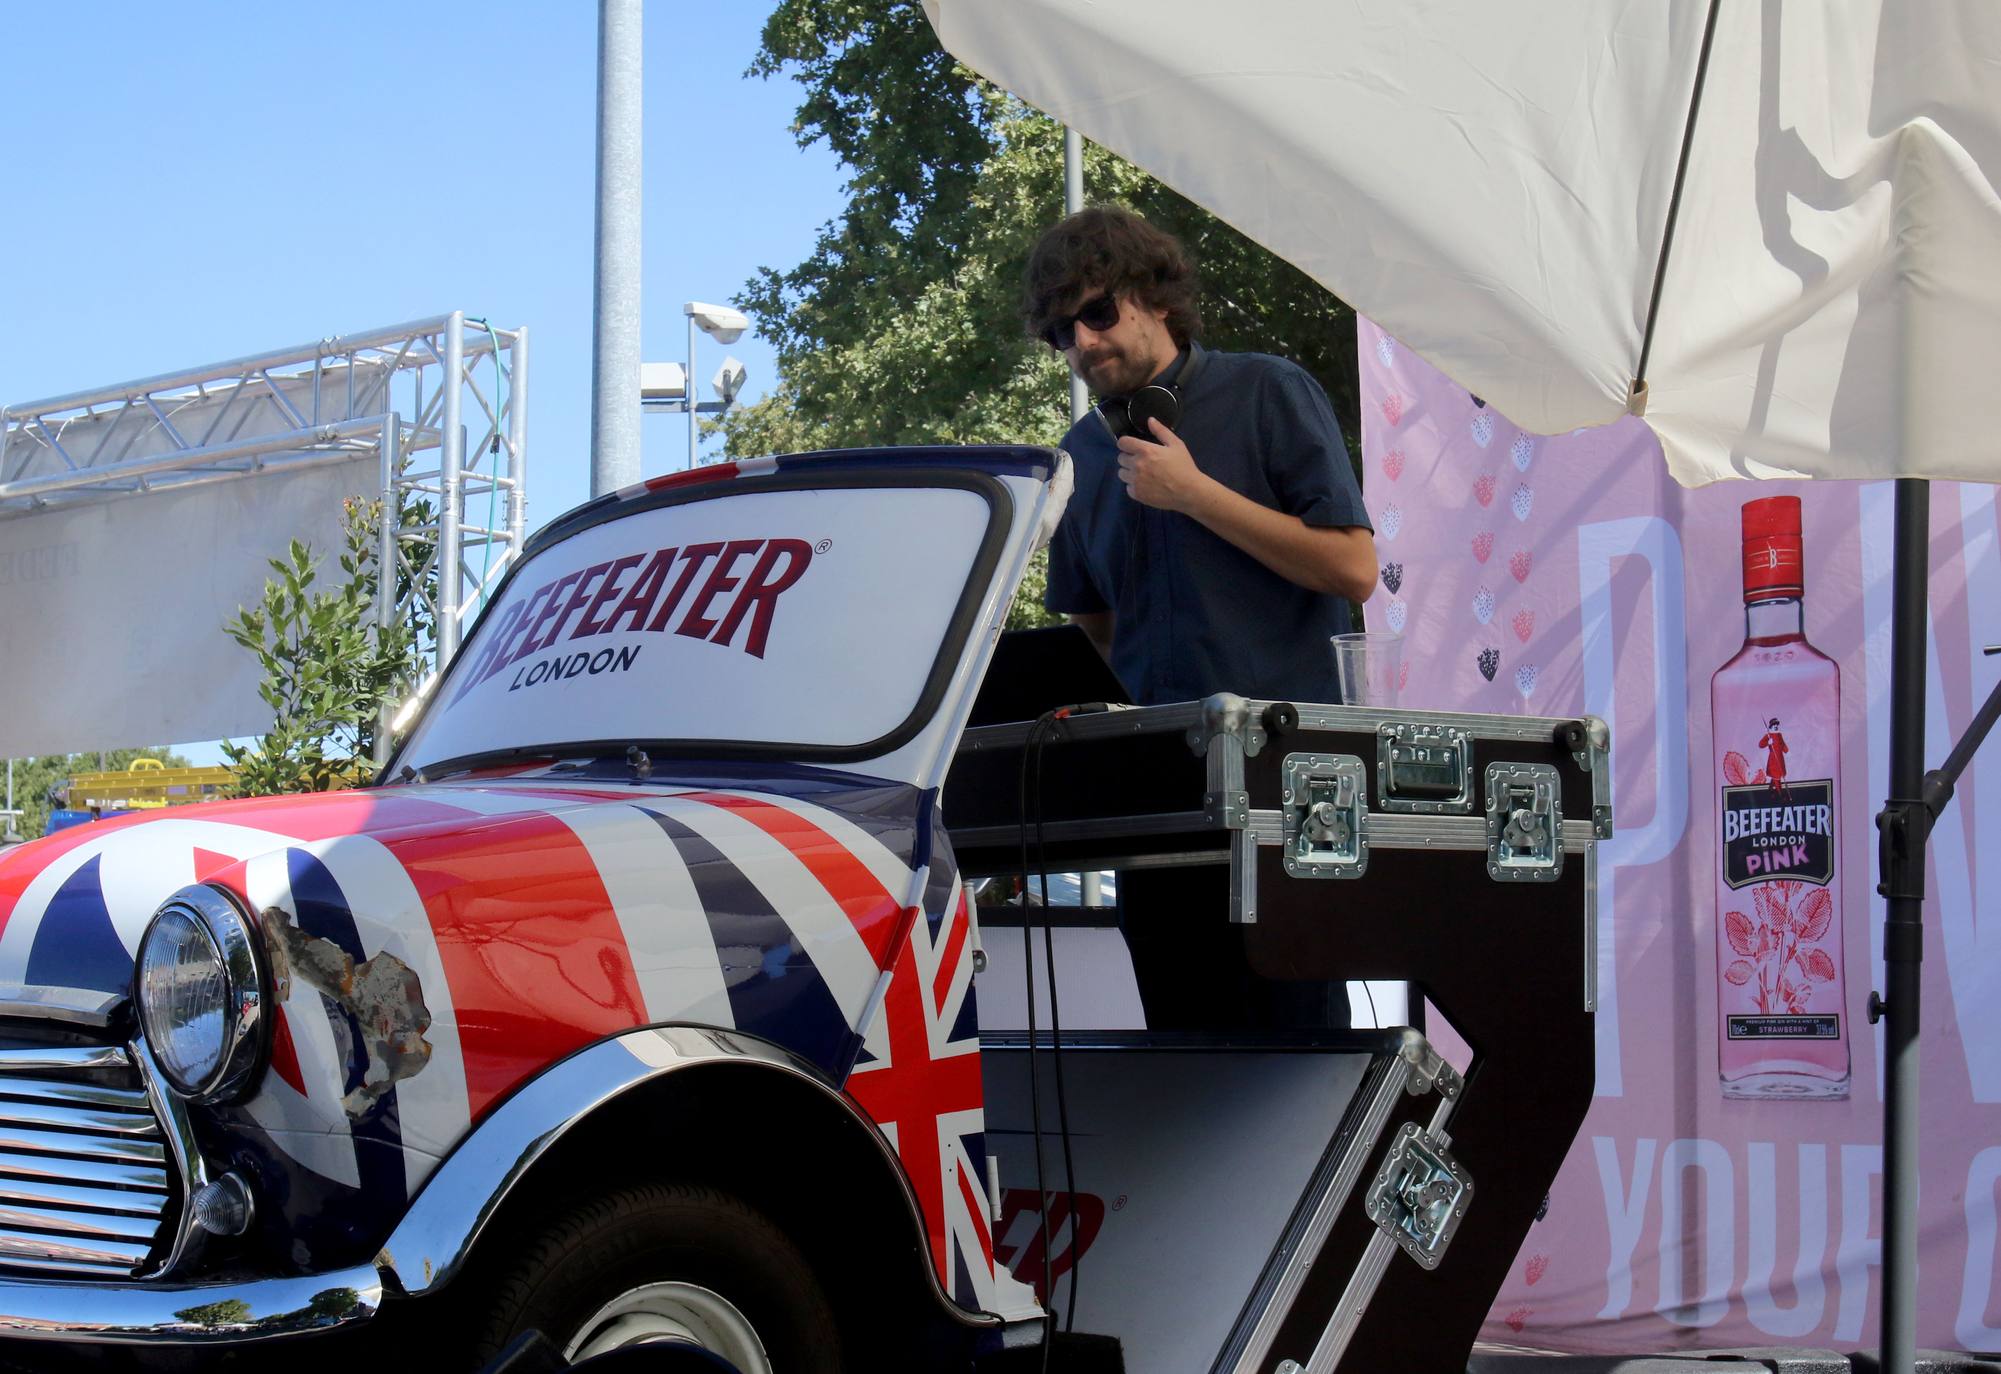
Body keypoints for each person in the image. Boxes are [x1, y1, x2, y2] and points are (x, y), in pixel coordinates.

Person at [1021, 206, 1377, 1030]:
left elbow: (1352, 568)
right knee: (1186, 1060)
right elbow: (1093, 620)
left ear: (1154, 297)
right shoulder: (1079, 455)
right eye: (1060, 333)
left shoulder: (1266, 391)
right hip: (1165, 810)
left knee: (1297, 1061)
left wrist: (1195, 496)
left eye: (1098, 311)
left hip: (1293, 795)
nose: (1083, 343)